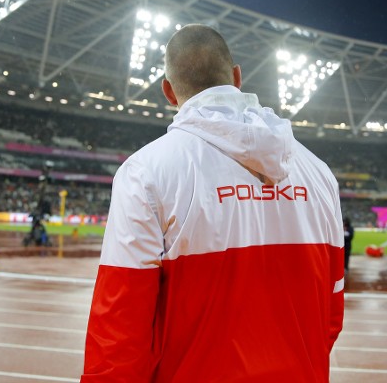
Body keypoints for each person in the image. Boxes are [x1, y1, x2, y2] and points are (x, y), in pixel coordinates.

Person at [82, 25, 345, 382]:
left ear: (168, 91)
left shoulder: (145, 172)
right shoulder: (318, 173)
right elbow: (330, 313)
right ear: (237, 77)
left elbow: (120, 323)